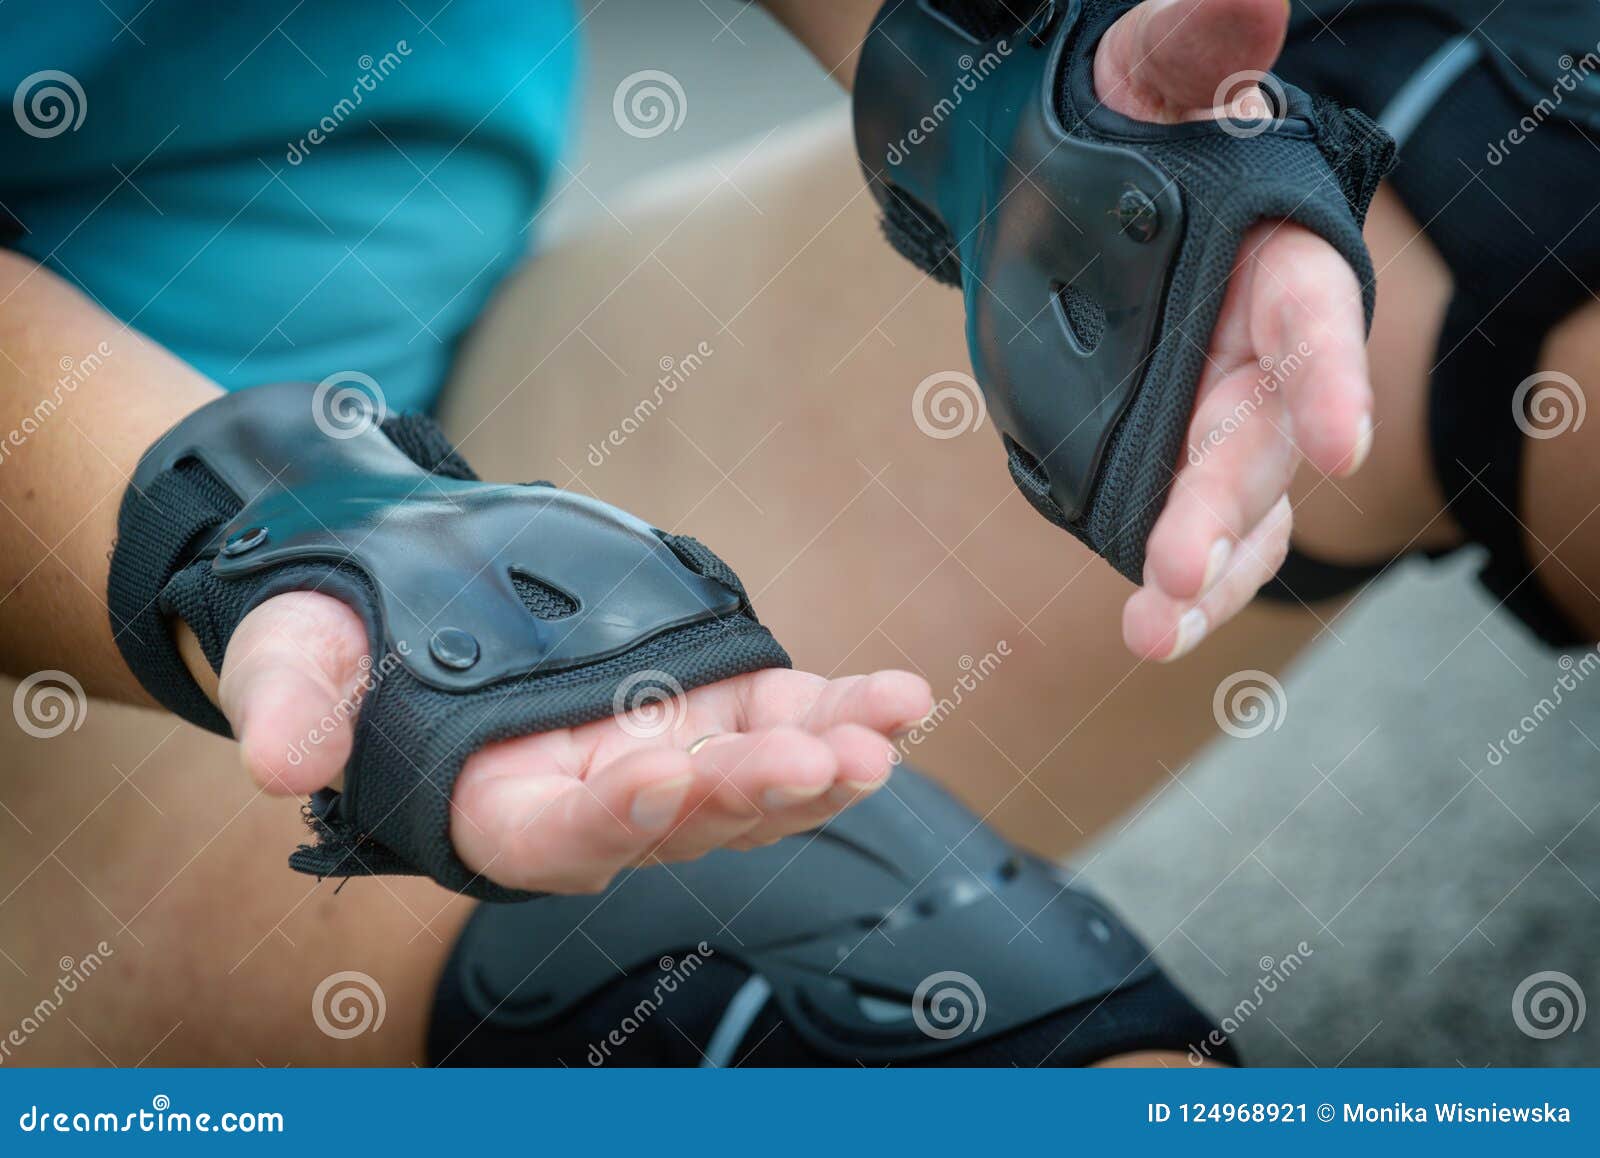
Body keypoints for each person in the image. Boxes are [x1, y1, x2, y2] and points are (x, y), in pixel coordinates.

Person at [0, 0, 1596, 1064]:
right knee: (837, 991)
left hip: (443, 410)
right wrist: (279, 524)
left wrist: (1018, 87)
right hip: (83, 654)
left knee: (1453, 151)